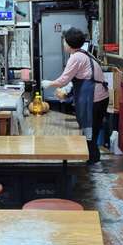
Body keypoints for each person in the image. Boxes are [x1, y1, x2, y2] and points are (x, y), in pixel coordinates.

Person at [42, 27, 109, 164]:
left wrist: (49, 83)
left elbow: (64, 80)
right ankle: (92, 160)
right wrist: (66, 91)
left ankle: (90, 164)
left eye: (64, 41)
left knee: (89, 132)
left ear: (68, 43)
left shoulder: (76, 57)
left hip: (94, 99)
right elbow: (77, 79)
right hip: (99, 97)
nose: (63, 44)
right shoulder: (84, 53)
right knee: (91, 132)